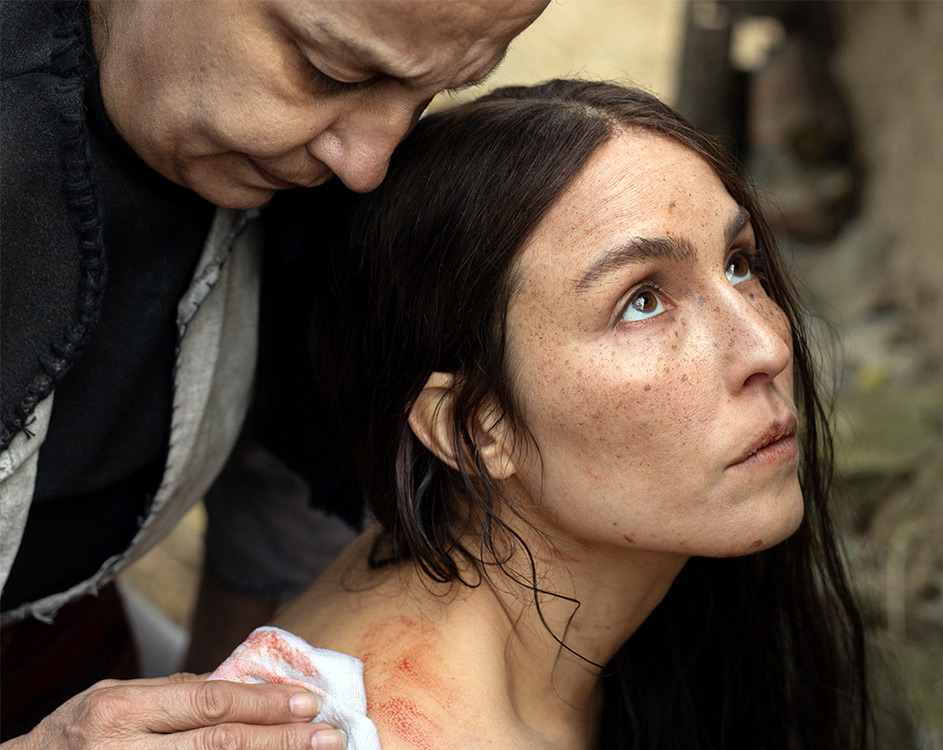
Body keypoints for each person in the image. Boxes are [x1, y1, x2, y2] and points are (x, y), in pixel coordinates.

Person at [214, 79, 871, 748]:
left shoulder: (615, 623)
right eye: (641, 302)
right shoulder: (369, 729)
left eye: (739, 264)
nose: (766, 345)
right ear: (471, 428)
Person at [0, 1, 546, 748]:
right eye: (329, 69)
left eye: (429, 96)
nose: (366, 163)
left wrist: (235, 696)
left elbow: (284, 499)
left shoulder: (307, 185)